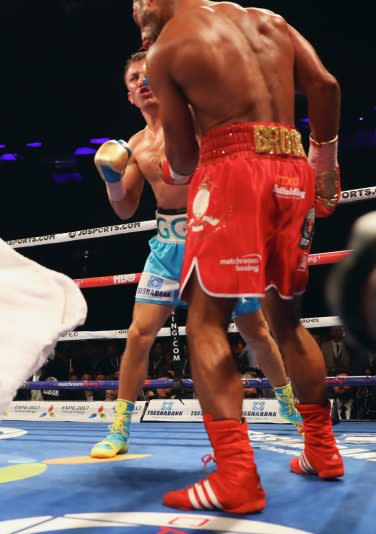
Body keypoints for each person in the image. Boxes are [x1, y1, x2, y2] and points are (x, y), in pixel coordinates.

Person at [134, 0, 343, 513]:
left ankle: (236, 478)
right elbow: (326, 87)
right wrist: (325, 162)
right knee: (287, 321)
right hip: (294, 169)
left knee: (206, 319)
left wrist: (168, 167)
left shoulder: (168, 48)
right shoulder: (269, 21)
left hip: (231, 171)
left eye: (140, 0)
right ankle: (323, 452)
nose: (137, 10)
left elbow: (183, 161)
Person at [90, 51, 301, 460]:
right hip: (167, 245)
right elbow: (125, 208)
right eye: (134, 78)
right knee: (138, 335)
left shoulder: (196, 120)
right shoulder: (134, 144)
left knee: (254, 329)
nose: (142, 82)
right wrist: (112, 180)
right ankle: (119, 427)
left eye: (150, 74)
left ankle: (288, 401)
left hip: (215, 236)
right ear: (129, 94)